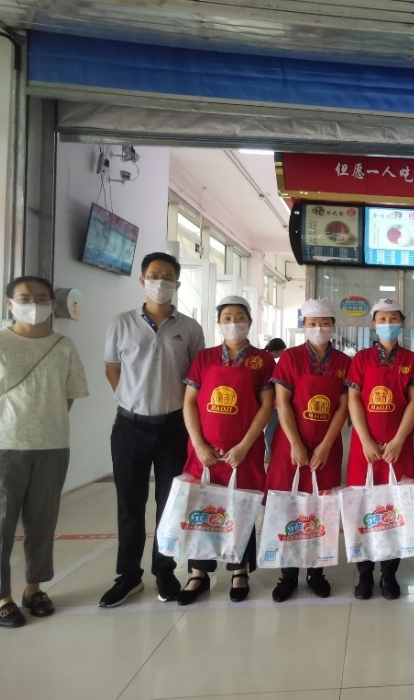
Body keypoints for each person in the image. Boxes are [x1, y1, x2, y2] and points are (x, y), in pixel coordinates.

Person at [0, 275, 89, 628]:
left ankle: (34, 588)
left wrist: (44, 424)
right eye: (25, 297)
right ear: (9, 303)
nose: (34, 304)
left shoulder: (64, 346)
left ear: (52, 304)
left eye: (42, 298)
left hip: (51, 446)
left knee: (42, 522)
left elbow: (68, 396)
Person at [99, 252, 205, 607]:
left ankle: (164, 570)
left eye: (168, 277)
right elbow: (112, 368)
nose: (161, 282)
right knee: (129, 503)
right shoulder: (121, 323)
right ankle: (128, 575)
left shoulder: (190, 328)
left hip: (174, 427)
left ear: (177, 283)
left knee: (170, 503)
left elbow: (197, 379)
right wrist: (131, 399)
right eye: (154, 276)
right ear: (143, 280)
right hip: (129, 427)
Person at [178, 296, 275, 604]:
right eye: (227, 318)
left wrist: (245, 446)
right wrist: (198, 444)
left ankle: (239, 570)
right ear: (219, 323)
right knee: (202, 507)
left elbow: (266, 406)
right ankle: (199, 573)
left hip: (243, 449)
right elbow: (189, 403)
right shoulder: (204, 358)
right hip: (204, 450)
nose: (234, 323)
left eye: (240, 317)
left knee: (241, 506)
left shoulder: (262, 360)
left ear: (250, 321)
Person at [265, 299, 351, 602]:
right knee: (289, 506)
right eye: (313, 324)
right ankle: (288, 574)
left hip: (327, 445)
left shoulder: (343, 362)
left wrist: (325, 445)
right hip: (290, 446)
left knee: (321, 508)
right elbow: (282, 403)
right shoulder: (290, 358)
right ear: (304, 326)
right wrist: (296, 444)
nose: (319, 329)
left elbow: (343, 407)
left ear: (333, 326)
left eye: (325, 323)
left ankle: (317, 571)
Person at [346, 299, 414, 600]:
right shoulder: (361, 359)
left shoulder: (411, 359)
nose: (388, 323)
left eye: (393, 318)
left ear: (402, 323)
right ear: (373, 323)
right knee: (363, 506)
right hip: (364, 448)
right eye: (382, 319)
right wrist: (366, 440)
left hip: (398, 447)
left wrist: (398, 440)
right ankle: (365, 573)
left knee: (396, 507)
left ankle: (389, 573)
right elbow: (353, 400)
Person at [263, 338, 287, 457]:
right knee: (271, 428)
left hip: (265, 401)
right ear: (277, 350)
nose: (283, 354)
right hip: (272, 402)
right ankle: (269, 453)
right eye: (282, 351)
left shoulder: (263, 357)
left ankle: (269, 452)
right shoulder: (270, 362)